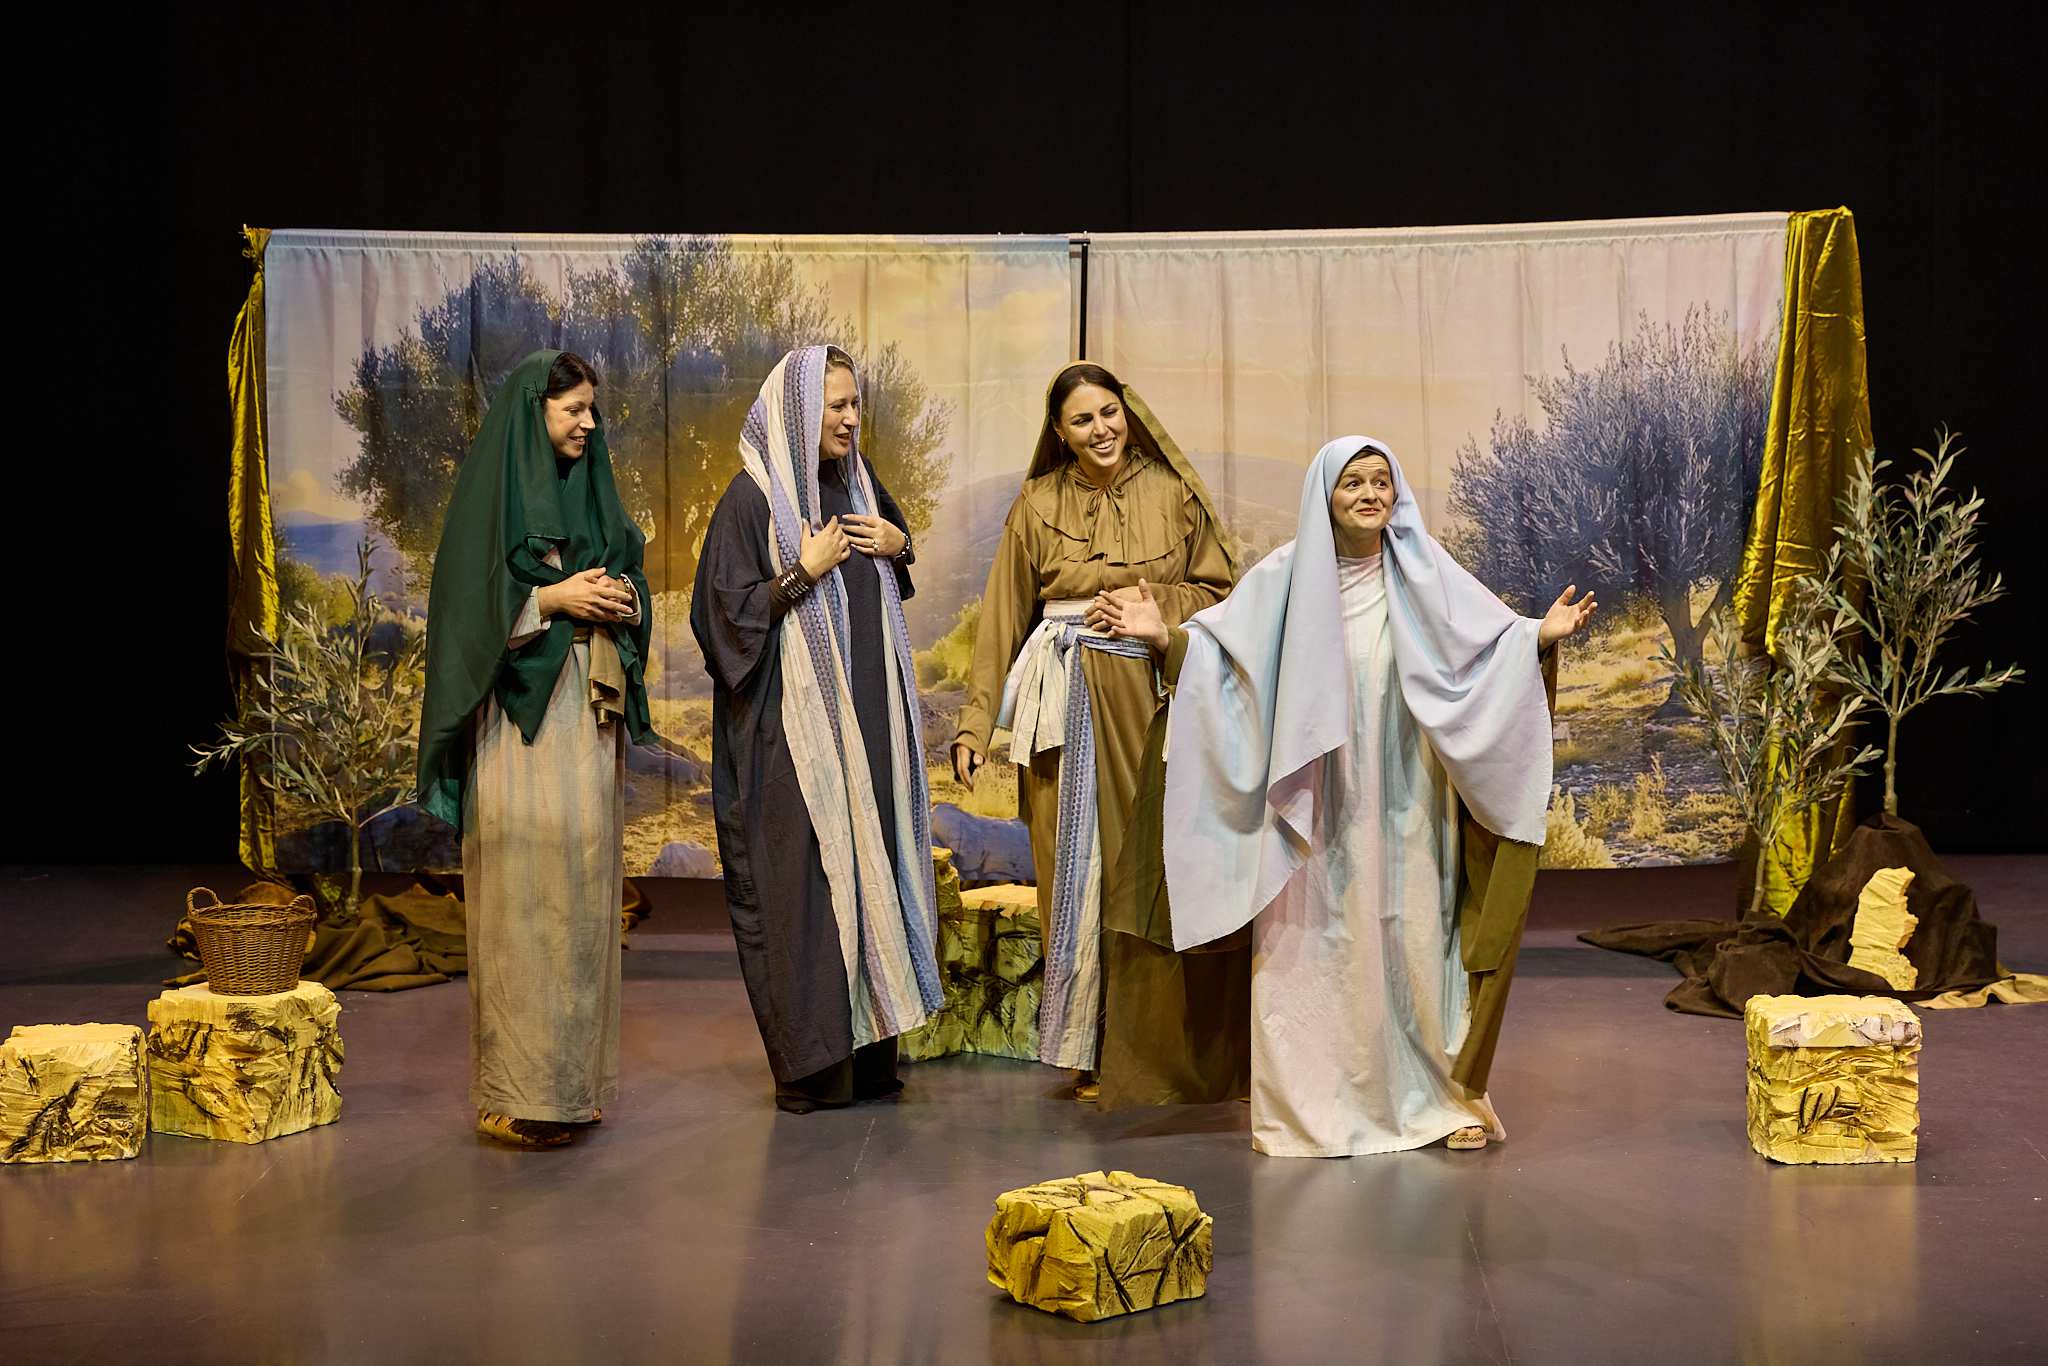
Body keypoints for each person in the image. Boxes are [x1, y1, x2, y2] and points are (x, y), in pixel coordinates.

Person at [1097, 436, 1594, 1155]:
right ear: (1324, 497)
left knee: (1418, 937)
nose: (1369, 494)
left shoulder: (1426, 571)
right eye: (1352, 483)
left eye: (1380, 481)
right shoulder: (1284, 578)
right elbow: (1220, 656)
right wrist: (1165, 638)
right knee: (1312, 945)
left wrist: (1536, 637)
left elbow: (1487, 645)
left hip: (1408, 797)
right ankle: (1309, 1102)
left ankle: (1441, 1098)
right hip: (1313, 804)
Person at [951, 361, 1249, 1107]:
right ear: (1060, 432)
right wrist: (974, 723)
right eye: (1082, 420)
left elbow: (1220, 592)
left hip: (1149, 698)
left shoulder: (1171, 492)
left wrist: (1153, 607)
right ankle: (1088, 1048)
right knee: (1069, 874)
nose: (1101, 429)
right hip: (1060, 706)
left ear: (1127, 411)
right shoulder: (1037, 502)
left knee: (1142, 867)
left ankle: (1153, 1050)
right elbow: (1001, 617)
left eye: (1109, 412)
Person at [692, 344, 941, 1114]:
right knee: (807, 891)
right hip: (790, 746)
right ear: (799, 411)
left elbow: (889, 559)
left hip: (867, 738)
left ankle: (871, 1056)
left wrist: (900, 545)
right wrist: (802, 572)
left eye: (855, 403)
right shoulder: (751, 499)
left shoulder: (857, 484)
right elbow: (723, 624)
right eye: (836, 404)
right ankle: (817, 1068)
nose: (851, 417)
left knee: (871, 876)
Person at [417, 349, 652, 1149]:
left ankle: (570, 1088)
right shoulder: (491, 496)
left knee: (582, 899)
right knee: (523, 901)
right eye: (572, 409)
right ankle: (516, 1093)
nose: (589, 423)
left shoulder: (594, 486)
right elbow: (464, 609)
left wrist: (621, 598)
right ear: (534, 411)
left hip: (586, 715)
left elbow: (629, 567)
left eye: (592, 409)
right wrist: (553, 597)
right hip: (521, 722)